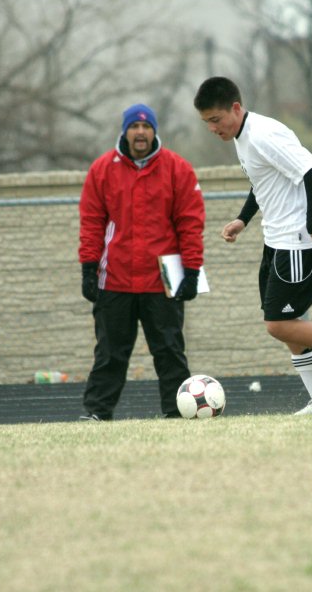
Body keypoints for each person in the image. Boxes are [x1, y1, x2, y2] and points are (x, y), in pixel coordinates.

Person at [193, 76, 312, 415]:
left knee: (279, 324)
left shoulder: (264, 134)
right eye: (206, 122)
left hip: (298, 241)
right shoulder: (243, 136)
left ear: (235, 108)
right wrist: (243, 219)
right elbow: (263, 181)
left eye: (215, 119)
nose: (212, 128)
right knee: (289, 324)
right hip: (277, 240)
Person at [78, 103, 206, 420]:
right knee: (110, 353)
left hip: (161, 282)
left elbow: (190, 224)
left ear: (154, 132)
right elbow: (91, 223)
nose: (140, 132)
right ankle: (97, 412)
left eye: (146, 127)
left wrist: (191, 271)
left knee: (169, 351)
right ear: (124, 131)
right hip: (115, 280)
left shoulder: (178, 169)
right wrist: (88, 268)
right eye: (134, 126)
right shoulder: (102, 170)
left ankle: (178, 412)